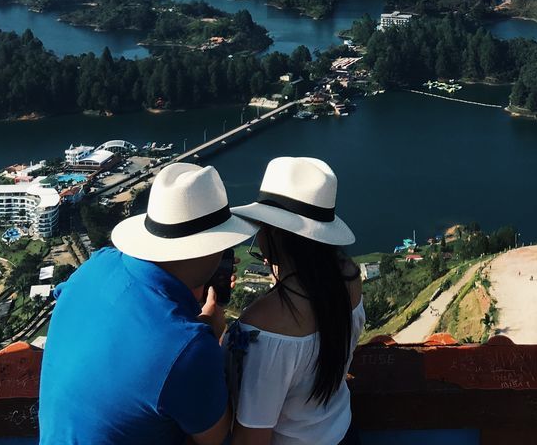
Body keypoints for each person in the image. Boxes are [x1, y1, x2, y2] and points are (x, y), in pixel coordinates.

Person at [38, 162, 258, 445]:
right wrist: (213, 334)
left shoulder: (96, 264)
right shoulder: (189, 347)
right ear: (209, 250)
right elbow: (216, 438)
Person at [226, 156, 363, 445]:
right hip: (342, 432)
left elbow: (252, 436)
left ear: (273, 232)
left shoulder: (261, 326)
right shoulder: (349, 277)